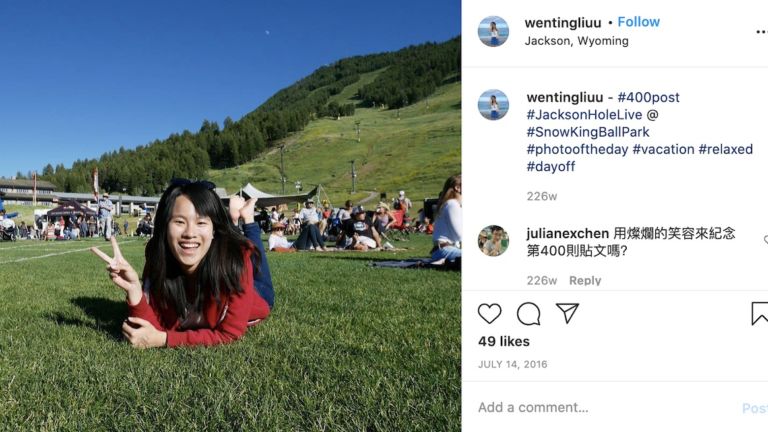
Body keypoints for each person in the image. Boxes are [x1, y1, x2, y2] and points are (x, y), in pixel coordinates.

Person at [90, 179, 272, 348]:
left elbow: (229, 333)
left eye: (201, 222)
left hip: (258, 294)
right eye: (179, 222)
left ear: (214, 230)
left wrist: (165, 339)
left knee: (253, 253)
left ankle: (248, 218)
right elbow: (151, 327)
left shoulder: (236, 262)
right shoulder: (157, 256)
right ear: (164, 226)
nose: (189, 233)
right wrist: (135, 291)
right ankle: (236, 219)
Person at [431, 174, 462, 262]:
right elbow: (460, 235)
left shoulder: (454, 204)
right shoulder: (452, 204)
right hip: (445, 250)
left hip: (446, 249)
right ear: (457, 188)